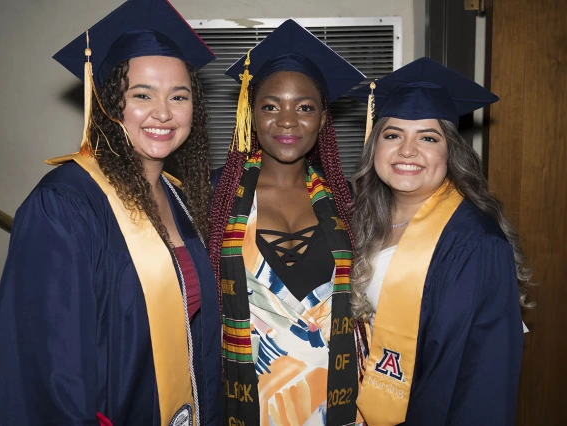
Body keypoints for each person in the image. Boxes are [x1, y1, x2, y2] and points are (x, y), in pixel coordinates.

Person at [0, 0, 221, 425]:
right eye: (142, 95)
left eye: (179, 96)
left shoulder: (180, 198)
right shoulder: (65, 206)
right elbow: (49, 373)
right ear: (107, 103)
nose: (163, 112)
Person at [349, 57, 531, 426]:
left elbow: (480, 377)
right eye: (393, 134)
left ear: (451, 151)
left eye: (428, 138)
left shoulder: (474, 242)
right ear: (375, 148)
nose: (407, 151)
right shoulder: (366, 219)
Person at [208, 19, 366, 426]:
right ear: (251, 114)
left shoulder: (346, 201)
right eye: (271, 105)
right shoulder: (217, 197)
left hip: (337, 400)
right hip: (248, 401)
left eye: (305, 107)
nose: (287, 121)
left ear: (323, 118)